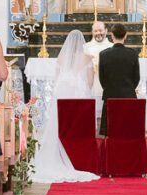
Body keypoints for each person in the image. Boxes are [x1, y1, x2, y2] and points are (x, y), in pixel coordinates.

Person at [31, 30, 100, 183]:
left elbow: (57, 78)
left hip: (63, 95)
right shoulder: (87, 58)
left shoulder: (61, 58)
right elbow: (90, 82)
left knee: (62, 126)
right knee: (79, 128)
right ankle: (79, 157)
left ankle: (58, 152)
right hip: (80, 96)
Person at [98, 24, 141, 135]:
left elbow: (102, 78)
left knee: (110, 133)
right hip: (128, 97)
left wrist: (110, 88)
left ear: (111, 35)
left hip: (109, 97)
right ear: (125, 36)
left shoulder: (103, 55)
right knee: (128, 133)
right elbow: (136, 78)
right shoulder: (133, 54)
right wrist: (128, 89)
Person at [84, 20, 113, 119]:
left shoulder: (112, 47)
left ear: (106, 31)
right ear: (92, 32)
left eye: (100, 30)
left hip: (107, 85)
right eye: (95, 31)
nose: (98, 33)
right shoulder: (86, 47)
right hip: (91, 84)